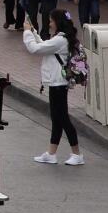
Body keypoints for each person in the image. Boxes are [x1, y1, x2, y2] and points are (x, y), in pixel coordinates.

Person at [23, 9, 84, 165]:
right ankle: (51, 153)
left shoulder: (60, 40)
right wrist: (33, 31)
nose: (49, 24)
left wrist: (27, 33)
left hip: (58, 83)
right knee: (57, 119)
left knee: (62, 118)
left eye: (51, 21)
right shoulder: (60, 39)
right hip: (56, 82)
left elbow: (35, 49)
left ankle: (77, 154)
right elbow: (44, 45)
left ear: (57, 22)